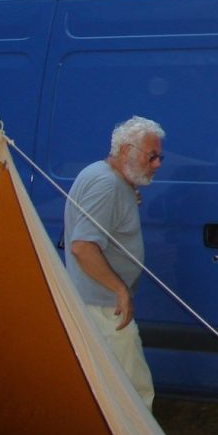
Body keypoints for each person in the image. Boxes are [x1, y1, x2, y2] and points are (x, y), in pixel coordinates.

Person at [65, 115, 165, 409]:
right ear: (125, 151)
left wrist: (125, 197)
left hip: (98, 303)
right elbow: (82, 247)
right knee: (134, 391)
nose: (157, 164)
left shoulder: (106, 177)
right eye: (152, 156)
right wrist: (120, 290)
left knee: (107, 389)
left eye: (159, 156)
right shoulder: (107, 186)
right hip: (105, 307)